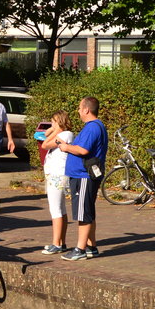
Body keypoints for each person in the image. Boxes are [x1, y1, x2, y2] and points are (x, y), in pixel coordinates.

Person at [58, 96, 108, 261]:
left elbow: (83, 150)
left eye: (80, 108)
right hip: (82, 175)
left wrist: (65, 147)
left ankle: (79, 249)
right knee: (88, 211)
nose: (78, 111)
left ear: (87, 109)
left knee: (83, 213)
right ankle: (91, 247)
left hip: (83, 176)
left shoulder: (92, 127)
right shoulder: (94, 126)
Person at [40, 110, 75, 255]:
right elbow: (46, 136)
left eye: (53, 121)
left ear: (59, 122)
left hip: (57, 175)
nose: (52, 125)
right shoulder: (64, 134)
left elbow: (45, 145)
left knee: (55, 209)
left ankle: (56, 243)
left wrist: (55, 130)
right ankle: (61, 242)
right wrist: (52, 129)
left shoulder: (64, 134)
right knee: (61, 208)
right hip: (57, 174)